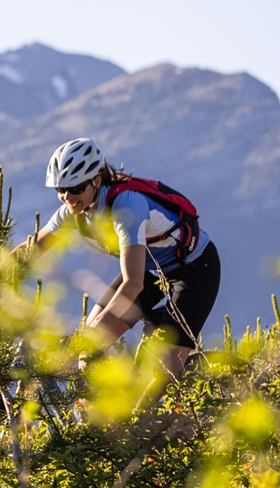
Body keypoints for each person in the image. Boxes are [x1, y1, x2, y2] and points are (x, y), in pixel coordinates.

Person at [20, 137, 220, 394]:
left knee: (165, 373)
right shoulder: (76, 211)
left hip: (195, 271)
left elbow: (132, 283)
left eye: (76, 187)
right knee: (87, 353)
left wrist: (97, 326)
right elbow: (34, 247)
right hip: (153, 271)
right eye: (60, 189)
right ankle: (113, 415)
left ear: (97, 181)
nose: (67, 197)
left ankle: (163, 422)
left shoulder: (127, 206)